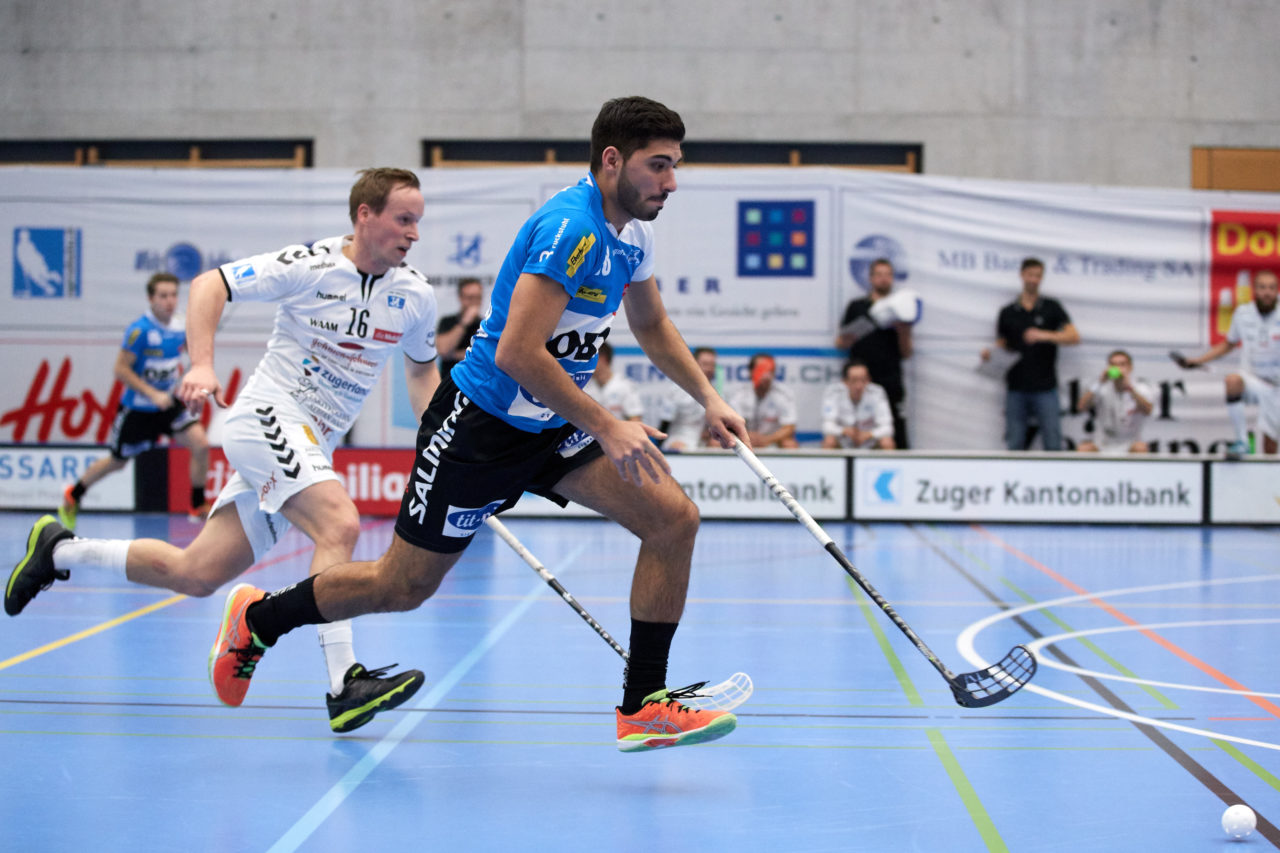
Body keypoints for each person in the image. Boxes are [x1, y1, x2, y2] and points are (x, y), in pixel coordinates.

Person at [202, 96, 748, 753]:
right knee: (400, 586)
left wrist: (707, 397)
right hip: (480, 429)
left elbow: (652, 324)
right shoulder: (570, 229)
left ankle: (643, 707)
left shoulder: (635, 234)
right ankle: (258, 618)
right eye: (658, 166)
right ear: (612, 161)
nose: (671, 182)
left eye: (674, 166)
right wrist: (609, 424)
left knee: (672, 519)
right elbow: (519, 351)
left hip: (553, 425)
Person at [8, 168, 441, 734]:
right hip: (269, 416)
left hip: (313, 443)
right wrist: (204, 363)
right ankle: (343, 684)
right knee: (339, 524)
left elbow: (423, 370)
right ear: (365, 215)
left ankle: (59, 551)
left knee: (196, 573)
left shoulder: (416, 297)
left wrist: (442, 441)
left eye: (419, 222)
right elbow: (209, 285)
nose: (413, 233)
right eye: (403, 219)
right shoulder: (309, 266)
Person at [58, 272, 212, 530]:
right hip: (138, 410)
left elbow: (188, 351)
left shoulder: (179, 327)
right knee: (117, 463)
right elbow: (121, 370)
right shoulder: (139, 331)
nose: (169, 301)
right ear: (151, 299)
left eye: (173, 295)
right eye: (163, 296)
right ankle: (73, 495)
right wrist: (152, 394)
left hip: (167, 406)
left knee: (201, 444)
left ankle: (197, 505)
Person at [1175, 269, 1280, 458]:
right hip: (1253, 378)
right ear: (1254, 290)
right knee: (1232, 381)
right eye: (1262, 287)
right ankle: (1241, 442)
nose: (1267, 292)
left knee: (1271, 446)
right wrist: (1197, 361)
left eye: (1272, 288)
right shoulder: (1243, 313)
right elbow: (1228, 344)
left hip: (1277, 385)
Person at [980, 257, 1080, 451]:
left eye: (1038, 276)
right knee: (1015, 442)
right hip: (1016, 387)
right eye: (1031, 275)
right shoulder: (1008, 311)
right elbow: (1002, 344)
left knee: (1052, 441)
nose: (1034, 279)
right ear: (1022, 275)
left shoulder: (1052, 307)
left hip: (1045, 386)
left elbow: (1074, 337)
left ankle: (1055, 481)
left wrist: (1044, 335)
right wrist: (989, 354)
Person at [835, 258, 914, 449]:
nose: (884, 279)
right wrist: (853, 334)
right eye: (879, 275)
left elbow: (907, 352)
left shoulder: (900, 309)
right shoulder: (857, 307)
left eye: (888, 275)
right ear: (870, 278)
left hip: (890, 378)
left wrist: (903, 330)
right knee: (852, 426)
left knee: (895, 428)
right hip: (859, 378)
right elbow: (839, 343)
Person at [1075, 350, 1154, 454]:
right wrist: (1099, 382)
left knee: (1140, 448)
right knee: (1084, 449)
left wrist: (1130, 389)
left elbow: (1148, 410)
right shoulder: (1100, 387)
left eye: (1122, 364)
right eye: (1113, 364)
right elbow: (1081, 407)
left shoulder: (1140, 388)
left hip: (1130, 441)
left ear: (1130, 367)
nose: (1117, 368)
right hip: (1103, 441)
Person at [725, 352, 799, 448]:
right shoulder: (738, 393)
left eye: (770, 371)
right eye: (762, 370)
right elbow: (732, 424)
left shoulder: (784, 393)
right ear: (751, 372)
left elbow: (790, 426)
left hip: (772, 440)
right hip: (744, 438)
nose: (767, 376)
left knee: (790, 444)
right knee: (719, 442)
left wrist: (767, 439)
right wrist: (746, 436)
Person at [820, 361, 895, 450]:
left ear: (869, 380)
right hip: (844, 441)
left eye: (863, 380)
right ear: (845, 381)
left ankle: (885, 464)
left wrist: (869, 434)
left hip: (869, 442)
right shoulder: (833, 392)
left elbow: (888, 428)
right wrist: (844, 431)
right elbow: (826, 426)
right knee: (829, 441)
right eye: (854, 380)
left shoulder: (877, 393)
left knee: (887, 442)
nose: (859, 386)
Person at [658, 346, 718, 451]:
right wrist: (660, 448)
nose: (709, 369)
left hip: (701, 443)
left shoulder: (717, 392)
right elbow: (665, 424)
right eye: (705, 364)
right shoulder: (676, 390)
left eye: (712, 365)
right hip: (677, 440)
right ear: (694, 365)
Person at [435, 277, 484, 383]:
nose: (474, 303)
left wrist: (453, 355)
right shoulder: (447, 321)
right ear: (461, 298)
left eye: (478, 298)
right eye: (470, 298)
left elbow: (484, 357)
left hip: (476, 384)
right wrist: (464, 323)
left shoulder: (485, 326)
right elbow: (443, 350)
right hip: (449, 383)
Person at [583, 342, 643, 421]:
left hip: (619, 432)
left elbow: (635, 420)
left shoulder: (625, 386)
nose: (585, 364)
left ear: (603, 359)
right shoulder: (584, 386)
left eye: (589, 359)